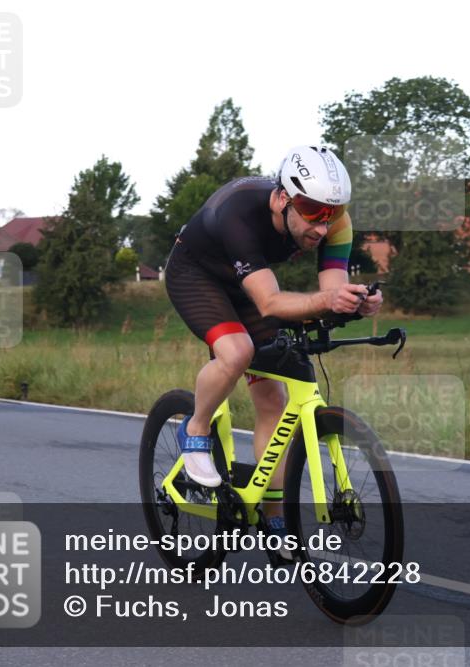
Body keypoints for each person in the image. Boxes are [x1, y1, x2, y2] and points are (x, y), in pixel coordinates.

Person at [164, 145, 383, 540]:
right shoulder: (239, 213)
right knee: (238, 351)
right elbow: (269, 302)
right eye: (312, 211)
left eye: (332, 213)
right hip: (197, 275)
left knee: (275, 401)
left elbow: (329, 293)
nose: (322, 225)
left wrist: (354, 304)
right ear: (283, 198)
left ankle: (274, 515)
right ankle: (194, 430)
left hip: (247, 284)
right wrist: (326, 302)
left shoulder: (334, 223)